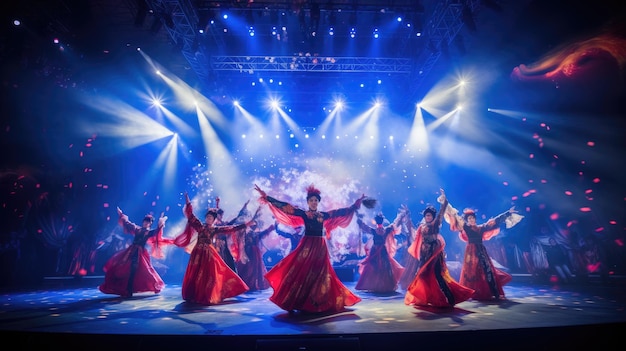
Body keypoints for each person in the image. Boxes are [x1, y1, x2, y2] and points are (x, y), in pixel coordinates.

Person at [254, 183, 373, 314]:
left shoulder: (323, 215)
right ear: (308, 202)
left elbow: (341, 211)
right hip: (307, 245)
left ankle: (318, 301)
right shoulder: (304, 214)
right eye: (311, 200)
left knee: (321, 273)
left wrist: (356, 204)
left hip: (320, 247)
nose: (314, 202)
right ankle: (299, 300)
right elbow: (285, 207)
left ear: (318, 202)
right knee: (302, 271)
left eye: (316, 200)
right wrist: (267, 197)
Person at [173, 193, 256, 305]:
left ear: (214, 220)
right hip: (197, 253)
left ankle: (208, 294)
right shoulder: (200, 226)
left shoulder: (215, 230)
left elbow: (231, 228)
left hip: (209, 253)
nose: (208, 219)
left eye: (210, 218)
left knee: (210, 274)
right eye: (207, 217)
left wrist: (246, 225)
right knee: (196, 273)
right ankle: (194, 294)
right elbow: (191, 216)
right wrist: (187, 201)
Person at [404, 189, 474, 308]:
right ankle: (426, 297)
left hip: (435, 254)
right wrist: (407, 218)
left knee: (437, 274)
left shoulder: (436, 223)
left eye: (430, 215)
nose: (428, 217)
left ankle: (450, 297)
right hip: (425, 254)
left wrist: (444, 200)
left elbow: (441, 212)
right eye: (426, 215)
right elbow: (415, 237)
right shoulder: (421, 227)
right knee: (421, 274)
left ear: (433, 217)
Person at [443, 200, 524, 301]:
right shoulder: (466, 228)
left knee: (487, 270)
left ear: (475, 219)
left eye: (473, 218)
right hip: (471, 252)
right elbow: (455, 215)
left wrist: (507, 213)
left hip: (481, 250)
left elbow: (495, 221)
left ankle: (494, 292)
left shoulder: (481, 228)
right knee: (471, 273)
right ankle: (473, 292)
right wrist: (445, 201)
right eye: (469, 218)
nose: (471, 220)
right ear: (467, 220)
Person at [99, 207, 168, 297]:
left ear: (150, 224)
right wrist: (121, 214)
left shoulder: (149, 232)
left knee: (138, 270)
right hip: (131, 251)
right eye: (145, 221)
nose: (145, 223)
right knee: (124, 268)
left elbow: (157, 232)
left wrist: (160, 223)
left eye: (148, 222)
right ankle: (126, 289)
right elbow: (128, 224)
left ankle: (133, 289)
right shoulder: (137, 229)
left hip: (140, 253)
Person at [354, 210, 406, 293]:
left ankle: (381, 285)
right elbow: (395, 224)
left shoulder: (376, 231)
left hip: (379, 251)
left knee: (382, 267)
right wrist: (401, 216)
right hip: (378, 251)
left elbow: (363, 226)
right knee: (379, 267)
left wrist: (401, 216)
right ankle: (379, 285)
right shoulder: (383, 230)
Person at [236, 220, 275, 291]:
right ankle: (246, 284)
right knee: (248, 267)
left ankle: (254, 283)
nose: (253, 226)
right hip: (248, 252)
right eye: (252, 225)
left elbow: (261, 235)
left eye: (255, 225)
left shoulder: (255, 233)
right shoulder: (246, 233)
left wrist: (269, 229)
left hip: (255, 253)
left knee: (256, 268)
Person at [214, 198, 249, 274]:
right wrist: (217, 203)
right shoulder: (215, 224)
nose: (221, 216)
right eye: (220, 215)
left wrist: (243, 208)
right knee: (216, 261)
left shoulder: (225, 224)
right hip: (216, 244)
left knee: (229, 262)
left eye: (222, 215)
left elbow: (235, 219)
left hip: (224, 245)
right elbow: (216, 213)